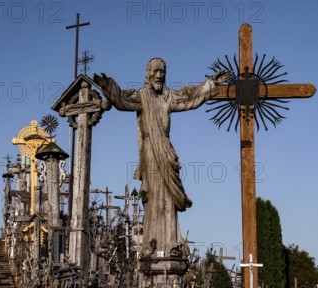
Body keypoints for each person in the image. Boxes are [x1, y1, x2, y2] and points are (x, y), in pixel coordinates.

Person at [93, 59, 231, 265]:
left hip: (166, 151)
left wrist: (211, 83)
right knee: (154, 198)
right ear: (148, 74)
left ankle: (170, 243)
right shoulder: (141, 96)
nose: (159, 75)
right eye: (155, 71)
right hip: (150, 152)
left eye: (163, 71)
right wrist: (108, 86)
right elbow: (121, 100)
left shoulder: (169, 97)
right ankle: (152, 244)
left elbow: (190, 99)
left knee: (168, 200)